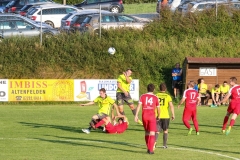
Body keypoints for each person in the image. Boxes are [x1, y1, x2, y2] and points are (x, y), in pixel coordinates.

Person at [135, 84, 160, 154]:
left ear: (147, 89)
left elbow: (139, 106)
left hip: (144, 116)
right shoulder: (155, 97)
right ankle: (150, 150)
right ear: (154, 90)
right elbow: (158, 108)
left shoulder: (142, 96)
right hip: (152, 116)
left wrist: (136, 115)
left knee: (147, 132)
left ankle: (148, 148)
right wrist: (159, 115)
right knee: (152, 133)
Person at [155, 83, 175, 149]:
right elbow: (171, 106)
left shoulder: (156, 95)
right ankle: (164, 145)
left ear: (159, 88)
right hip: (166, 115)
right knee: (165, 130)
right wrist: (173, 114)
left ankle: (154, 143)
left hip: (157, 115)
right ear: (165, 89)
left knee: (157, 130)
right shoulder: (168, 96)